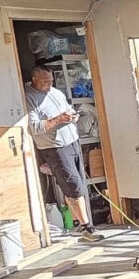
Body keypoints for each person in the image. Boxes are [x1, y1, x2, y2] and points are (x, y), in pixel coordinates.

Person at [24, 65, 104, 242]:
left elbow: (68, 109)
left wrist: (73, 116)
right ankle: (87, 227)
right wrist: (60, 118)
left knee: (79, 184)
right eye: (45, 82)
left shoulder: (55, 92)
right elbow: (35, 128)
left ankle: (77, 224)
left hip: (72, 142)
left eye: (51, 81)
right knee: (73, 185)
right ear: (34, 80)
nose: (49, 84)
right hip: (54, 147)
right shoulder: (29, 97)